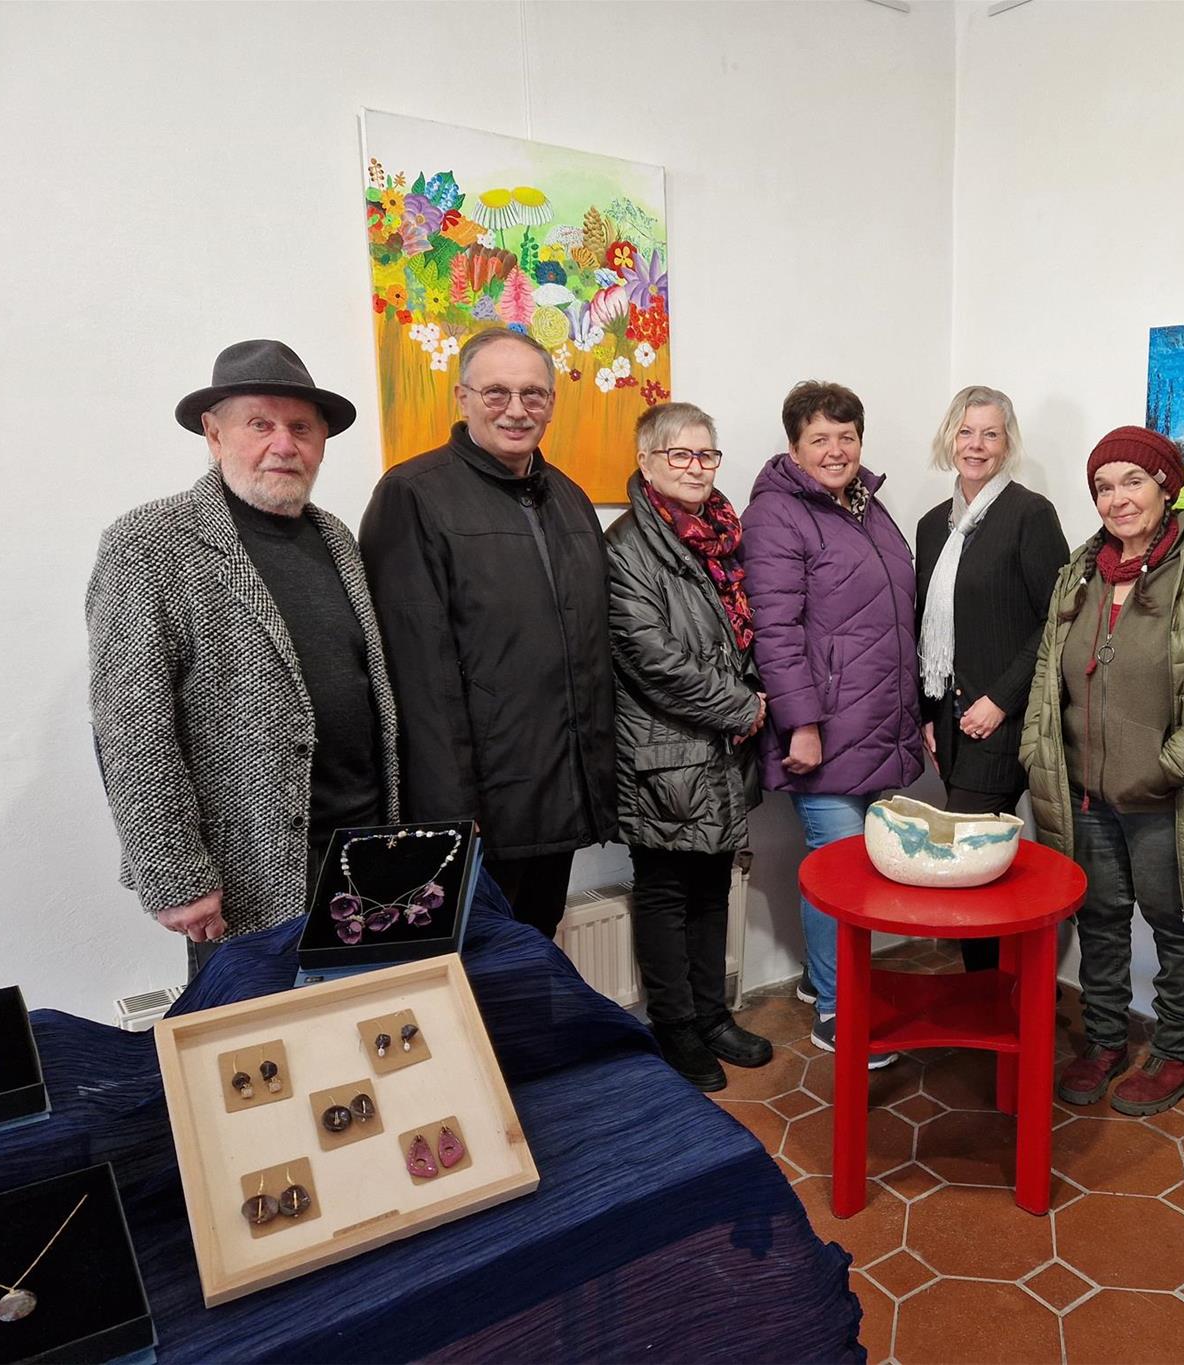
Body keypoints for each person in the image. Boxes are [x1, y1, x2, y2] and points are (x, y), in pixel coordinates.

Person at [86, 340, 400, 979]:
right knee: (266, 1062)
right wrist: (172, 872)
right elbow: (130, 726)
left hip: (359, 851)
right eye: (261, 424)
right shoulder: (148, 542)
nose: (284, 445)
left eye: (301, 428)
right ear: (214, 432)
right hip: (247, 867)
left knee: (364, 1045)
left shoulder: (336, 537)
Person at [1021, 426, 1184, 1117]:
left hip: (1166, 793)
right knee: (1100, 919)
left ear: (1166, 485)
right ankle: (1104, 1040)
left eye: (1133, 480)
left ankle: (1176, 1052)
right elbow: (1049, 669)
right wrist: (1044, 757)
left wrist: (1172, 763)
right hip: (1085, 792)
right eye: (1104, 485)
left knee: (1173, 923)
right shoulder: (1080, 568)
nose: (1118, 498)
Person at [359, 329, 615, 937]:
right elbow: (416, 674)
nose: (516, 409)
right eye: (496, 392)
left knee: (533, 953)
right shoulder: (412, 494)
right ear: (462, 397)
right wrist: (452, 812)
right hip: (480, 806)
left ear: (552, 403)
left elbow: (588, 653)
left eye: (533, 394)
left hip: (560, 791)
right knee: (469, 974)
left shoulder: (570, 500)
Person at [741, 380, 923, 1064]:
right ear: (794, 446)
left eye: (846, 436)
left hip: (881, 723)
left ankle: (828, 983)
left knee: (856, 871)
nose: (836, 449)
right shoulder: (776, 516)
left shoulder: (867, 509)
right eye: (819, 437)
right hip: (825, 731)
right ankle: (839, 1011)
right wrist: (802, 725)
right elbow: (777, 634)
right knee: (841, 872)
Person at [607, 402, 773, 1091]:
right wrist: (746, 705)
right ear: (646, 461)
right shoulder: (626, 547)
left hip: (719, 752)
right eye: (680, 454)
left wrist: (757, 690)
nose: (696, 467)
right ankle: (673, 1026)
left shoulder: (719, 537)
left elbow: (745, 631)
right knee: (666, 891)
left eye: (706, 454)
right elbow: (652, 657)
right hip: (662, 753)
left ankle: (712, 1015)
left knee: (712, 887)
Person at [914, 385, 1068, 972]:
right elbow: (923, 625)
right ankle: (1010, 986)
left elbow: (1056, 620)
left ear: (1007, 444)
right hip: (949, 722)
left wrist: (1000, 701)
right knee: (980, 864)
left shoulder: (1030, 514)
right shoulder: (934, 525)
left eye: (990, 433)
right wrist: (929, 714)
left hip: (1002, 719)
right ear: (949, 437)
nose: (976, 445)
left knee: (965, 860)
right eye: (966, 431)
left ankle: (995, 992)